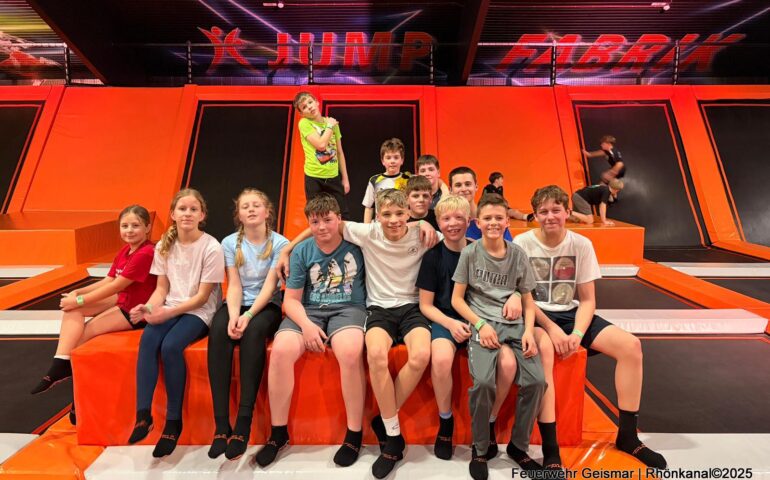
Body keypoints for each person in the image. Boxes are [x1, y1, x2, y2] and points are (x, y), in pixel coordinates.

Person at [276, 189, 438, 479]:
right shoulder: (367, 233)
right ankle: (393, 436)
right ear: (376, 217)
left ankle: (383, 418)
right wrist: (287, 249)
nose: (393, 219)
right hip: (379, 308)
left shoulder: (424, 234)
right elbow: (324, 224)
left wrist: (424, 223)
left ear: (409, 214)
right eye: (386, 214)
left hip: (413, 307)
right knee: (375, 355)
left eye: (399, 214)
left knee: (422, 355)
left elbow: (457, 239)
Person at [514, 185, 667, 470]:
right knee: (546, 357)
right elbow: (524, 298)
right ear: (535, 215)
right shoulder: (522, 243)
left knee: (631, 347)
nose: (550, 216)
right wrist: (552, 329)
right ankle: (551, 447)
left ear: (568, 212)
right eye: (543, 211)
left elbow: (587, 300)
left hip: (570, 313)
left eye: (556, 210)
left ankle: (628, 436)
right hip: (536, 314)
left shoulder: (581, 244)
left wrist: (577, 334)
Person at [256, 194, 367, 468]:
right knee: (281, 351)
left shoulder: (357, 245)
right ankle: (278, 434)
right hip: (309, 310)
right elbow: (291, 300)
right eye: (315, 222)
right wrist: (306, 326)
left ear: (339, 219)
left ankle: (354, 434)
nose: (322, 227)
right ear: (308, 224)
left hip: (348, 308)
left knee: (350, 352)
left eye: (327, 220)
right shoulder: (302, 251)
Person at [31, 205, 157, 425]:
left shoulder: (146, 253)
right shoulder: (125, 251)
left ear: (147, 227)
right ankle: (61, 362)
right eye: (125, 226)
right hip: (123, 300)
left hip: (137, 311)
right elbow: (108, 280)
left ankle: (75, 394)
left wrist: (80, 300)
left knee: (81, 341)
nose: (129, 230)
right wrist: (78, 293)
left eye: (135, 226)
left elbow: (116, 286)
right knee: (72, 310)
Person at [451, 194, 547, 480]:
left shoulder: (517, 254)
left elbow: (528, 298)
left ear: (507, 222)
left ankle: (519, 446)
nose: (493, 222)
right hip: (484, 325)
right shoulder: (470, 253)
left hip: (515, 326)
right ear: (477, 222)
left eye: (498, 218)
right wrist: (480, 324)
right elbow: (457, 299)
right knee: (482, 383)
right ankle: (480, 448)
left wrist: (529, 330)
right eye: (487, 218)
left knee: (537, 381)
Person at [127, 188, 225, 458]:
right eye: (182, 209)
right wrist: (148, 308)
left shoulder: (211, 247)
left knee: (171, 347)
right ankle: (143, 415)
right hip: (172, 305)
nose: (187, 214)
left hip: (199, 311)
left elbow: (202, 298)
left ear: (202, 215)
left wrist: (167, 313)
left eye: (193, 209)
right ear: (172, 214)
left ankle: (173, 422)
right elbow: (161, 289)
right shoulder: (164, 245)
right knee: (148, 339)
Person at [207, 189, 288, 460]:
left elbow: (270, 286)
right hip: (237, 302)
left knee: (253, 334)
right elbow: (234, 284)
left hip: (266, 305)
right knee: (219, 331)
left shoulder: (280, 243)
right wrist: (233, 315)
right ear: (239, 215)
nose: (251, 209)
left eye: (256, 205)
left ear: (267, 212)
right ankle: (221, 426)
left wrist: (249, 315)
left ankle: (243, 423)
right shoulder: (230, 243)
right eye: (245, 207)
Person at [294, 91, 350, 218]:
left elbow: (340, 152)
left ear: (316, 102)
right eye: (304, 107)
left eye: (310, 102)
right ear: (302, 114)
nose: (309, 107)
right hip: (314, 177)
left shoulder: (332, 124)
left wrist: (345, 179)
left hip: (333, 176)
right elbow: (320, 145)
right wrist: (329, 126)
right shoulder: (304, 123)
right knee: (315, 215)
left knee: (342, 214)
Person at [448, 166, 513, 241]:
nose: (463, 189)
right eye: (458, 185)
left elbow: (508, 246)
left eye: (468, 184)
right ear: (450, 190)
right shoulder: (446, 222)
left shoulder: (494, 218)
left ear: (476, 187)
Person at [362, 138, 411, 223]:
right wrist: (366, 228)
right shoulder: (374, 180)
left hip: (401, 225)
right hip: (379, 226)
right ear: (382, 161)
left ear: (402, 160)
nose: (392, 161)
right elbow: (369, 207)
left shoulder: (408, 180)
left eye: (396, 157)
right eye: (388, 158)